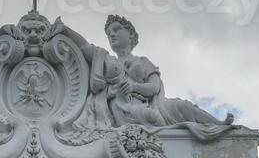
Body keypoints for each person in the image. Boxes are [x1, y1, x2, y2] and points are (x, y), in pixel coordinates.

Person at [59, 15, 237, 140]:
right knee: (148, 117)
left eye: (116, 29)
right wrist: (64, 30)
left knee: (184, 106)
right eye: (108, 33)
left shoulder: (142, 61)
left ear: (130, 34)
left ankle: (219, 124)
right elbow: (84, 47)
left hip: (150, 104)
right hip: (121, 107)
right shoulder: (106, 59)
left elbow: (154, 88)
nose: (111, 34)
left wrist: (134, 87)